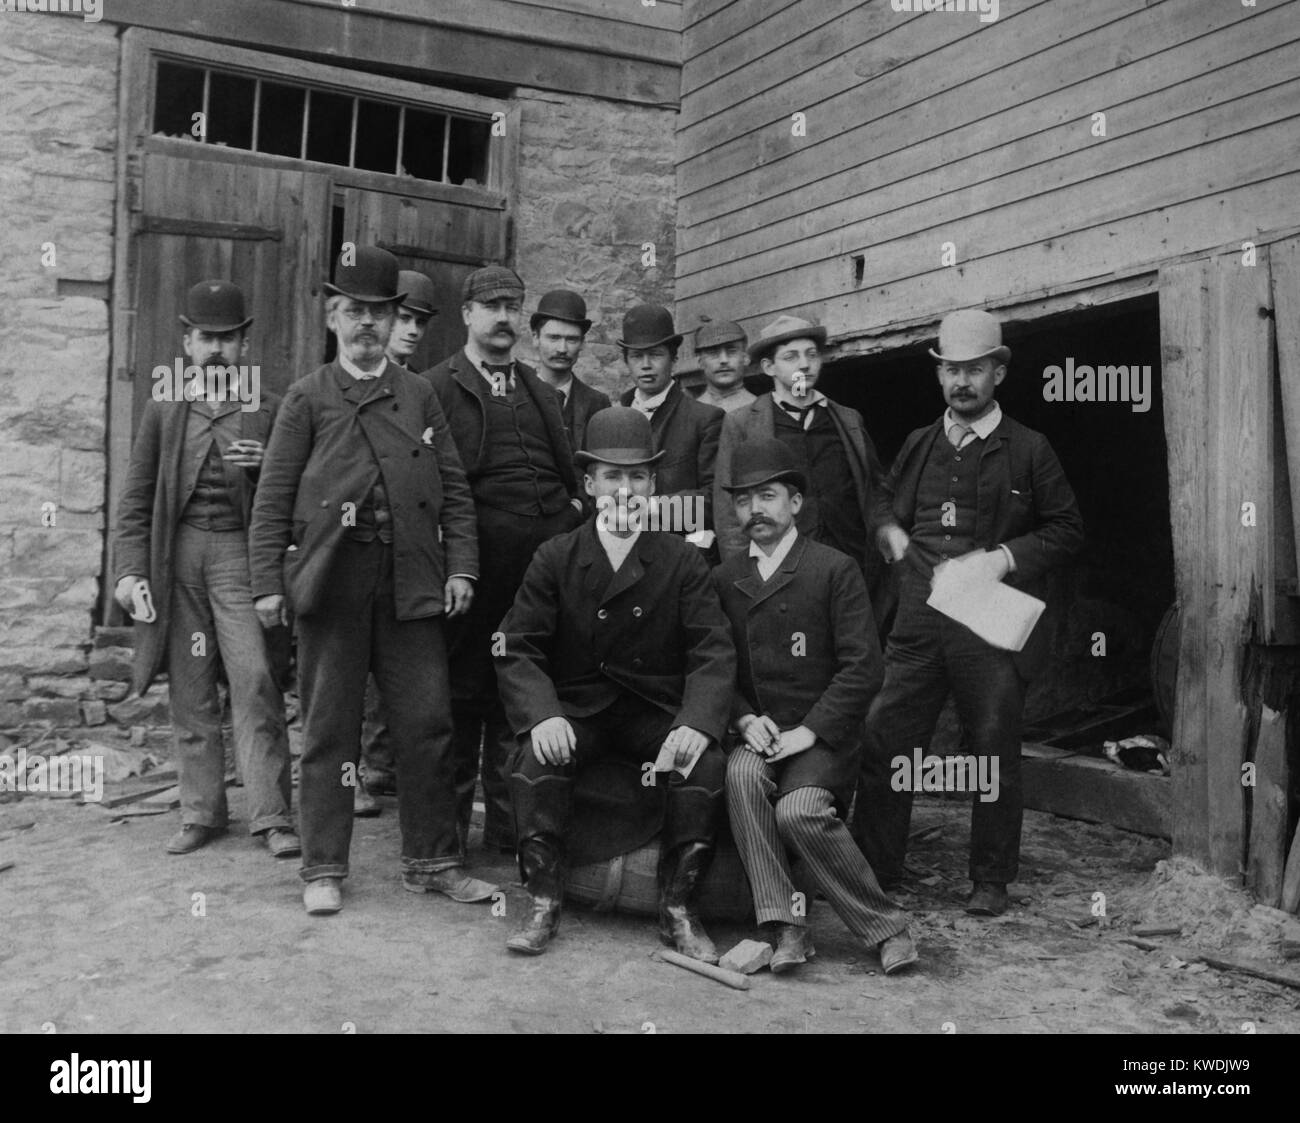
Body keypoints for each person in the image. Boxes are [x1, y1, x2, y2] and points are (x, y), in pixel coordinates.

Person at [249, 246, 495, 915]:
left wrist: (463, 565)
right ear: (333, 316)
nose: (367, 324)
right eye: (354, 311)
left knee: (427, 723)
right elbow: (271, 500)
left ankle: (434, 859)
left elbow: (453, 490)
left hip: (412, 582)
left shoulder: (419, 394)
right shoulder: (307, 397)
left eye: (379, 313)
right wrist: (269, 583)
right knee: (330, 729)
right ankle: (323, 866)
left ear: (393, 321)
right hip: (332, 580)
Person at [851, 309, 1084, 917]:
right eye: (951, 370)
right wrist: (889, 534)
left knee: (993, 746)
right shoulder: (920, 444)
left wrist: (1003, 558)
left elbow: (1067, 531)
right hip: (919, 620)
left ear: (998, 373)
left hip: (989, 624)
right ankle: (876, 869)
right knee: (886, 737)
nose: (962, 382)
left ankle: (990, 878)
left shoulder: (1030, 449)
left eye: (974, 370)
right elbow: (881, 500)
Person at [496, 406, 736, 959]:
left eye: (636, 476)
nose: (623, 490)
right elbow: (516, 645)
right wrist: (543, 714)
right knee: (537, 760)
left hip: (653, 709)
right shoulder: (555, 556)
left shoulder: (682, 560)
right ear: (589, 482)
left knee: (704, 764)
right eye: (610, 475)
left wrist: (696, 722)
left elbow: (712, 649)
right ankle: (544, 902)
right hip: (579, 709)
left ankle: (678, 909)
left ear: (653, 484)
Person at [714, 438, 916, 975]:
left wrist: (811, 731)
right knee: (740, 773)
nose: (755, 509)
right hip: (761, 732)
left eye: (768, 496)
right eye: (743, 501)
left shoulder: (834, 569)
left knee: (798, 810)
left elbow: (864, 668)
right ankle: (785, 925)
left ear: (796, 503)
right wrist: (741, 716)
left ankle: (887, 926)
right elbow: (713, 667)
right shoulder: (724, 579)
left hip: (823, 737)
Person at [114, 280, 298, 859]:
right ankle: (201, 812)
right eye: (204, 338)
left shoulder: (270, 407)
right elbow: (136, 499)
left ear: (244, 343)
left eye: (227, 338)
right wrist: (128, 572)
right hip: (180, 560)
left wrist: (267, 465)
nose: (215, 349)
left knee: (255, 680)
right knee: (190, 689)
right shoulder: (164, 408)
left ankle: (271, 815)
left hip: (240, 556)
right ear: (187, 342)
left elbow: (302, 492)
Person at [423, 266, 587, 852]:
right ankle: (445, 841)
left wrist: (573, 513)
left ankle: (508, 831)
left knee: (520, 695)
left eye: (512, 306)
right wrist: (453, 561)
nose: (503, 317)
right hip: (476, 568)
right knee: (465, 697)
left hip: (537, 572)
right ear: (466, 313)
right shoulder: (436, 386)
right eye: (490, 305)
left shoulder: (538, 389)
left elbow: (570, 473)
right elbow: (429, 486)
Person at [714, 315, 888, 619]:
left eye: (811, 354)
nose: (804, 365)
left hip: (849, 563)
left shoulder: (847, 419)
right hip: (778, 565)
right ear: (769, 368)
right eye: (791, 357)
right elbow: (728, 512)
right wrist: (745, 576)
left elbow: (874, 490)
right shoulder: (741, 423)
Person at [356, 268, 441, 814]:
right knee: (356, 665)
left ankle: (390, 766)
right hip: (357, 540)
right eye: (403, 319)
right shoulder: (343, 382)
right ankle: (363, 768)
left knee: (405, 663)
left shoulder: (423, 389)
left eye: (419, 322)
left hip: (412, 543)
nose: (409, 331)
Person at [616, 304, 724, 549]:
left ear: (674, 358)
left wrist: (649, 510)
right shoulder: (614, 418)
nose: (645, 364)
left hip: (677, 553)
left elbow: (715, 500)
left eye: (655, 354)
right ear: (626, 361)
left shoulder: (705, 419)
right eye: (636, 356)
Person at [529, 288, 610, 453]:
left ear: (582, 344)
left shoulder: (598, 404)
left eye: (571, 339)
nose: (562, 349)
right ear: (535, 338)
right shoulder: (515, 395)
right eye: (554, 338)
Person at [693, 319, 755, 414]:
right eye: (713, 353)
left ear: (745, 358)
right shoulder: (690, 412)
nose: (723, 360)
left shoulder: (759, 409)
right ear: (700, 362)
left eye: (732, 351)